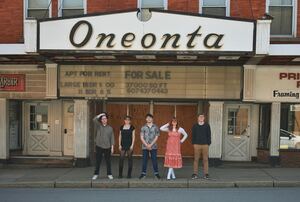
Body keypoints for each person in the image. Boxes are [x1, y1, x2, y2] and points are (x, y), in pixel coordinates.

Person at [92, 112, 115, 180]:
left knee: (108, 162)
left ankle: (109, 174)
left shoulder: (110, 128)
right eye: (103, 119)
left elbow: (112, 138)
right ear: (101, 120)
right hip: (99, 146)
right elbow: (94, 120)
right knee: (98, 161)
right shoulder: (98, 126)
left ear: (107, 120)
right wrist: (100, 115)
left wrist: (112, 147)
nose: (104, 120)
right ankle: (96, 174)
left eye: (105, 119)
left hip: (107, 147)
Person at [139, 113, 161, 179]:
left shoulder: (156, 127)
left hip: (153, 146)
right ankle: (143, 174)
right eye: (147, 118)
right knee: (144, 160)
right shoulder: (143, 127)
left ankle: (156, 174)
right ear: (146, 119)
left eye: (150, 118)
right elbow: (141, 137)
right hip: (144, 146)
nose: (149, 119)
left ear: (152, 119)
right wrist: (147, 145)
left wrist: (150, 145)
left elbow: (157, 137)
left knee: (154, 160)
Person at [191, 114, 211, 180]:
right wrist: (193, 143)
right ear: (198, 118)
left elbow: (209, 135)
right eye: (200, 117)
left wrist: (208, 143)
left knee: (205, 160)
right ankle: (195, 174)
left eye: (202, 117)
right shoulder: (195, 126)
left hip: (205, 145)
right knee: (196, 160)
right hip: (197, 145)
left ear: (204, 118)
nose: (201, 118)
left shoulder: (207, 126)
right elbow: (193, 135)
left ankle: (206, 174)